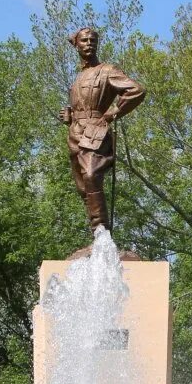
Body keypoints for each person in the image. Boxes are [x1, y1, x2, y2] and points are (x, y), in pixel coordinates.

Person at [58, 27, 146, 234]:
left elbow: (136, 91)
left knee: (91, 176)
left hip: (95, 132)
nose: (89, 44)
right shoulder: (78, 77)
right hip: (75, 133)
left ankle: (101, 237)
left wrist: (111, 114)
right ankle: (97, 234)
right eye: (85, 41)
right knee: (83, 187)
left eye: (93, 41)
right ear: (76, 45)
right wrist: (69, 117)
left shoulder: (107, 70)